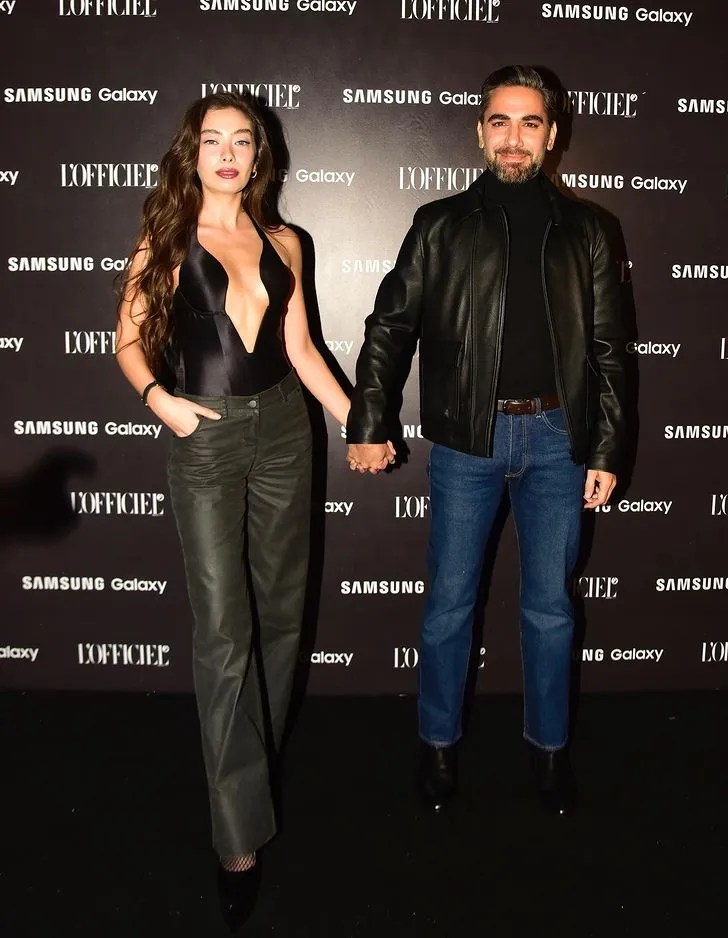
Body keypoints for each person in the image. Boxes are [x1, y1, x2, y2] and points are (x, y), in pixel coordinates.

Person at [115, 92, 372, 927]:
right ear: (192, 154)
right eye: (213, 141)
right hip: (206, 437)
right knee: (224, 629)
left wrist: (358, 422)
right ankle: (237, 837)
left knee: (283, 616)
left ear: (259, 155)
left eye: (242, 141)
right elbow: (127, 340)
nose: (228, 154)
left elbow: (301, 348)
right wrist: (161, 400)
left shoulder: (287, 241)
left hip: (286, 431)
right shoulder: (165, 238)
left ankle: (254, 762)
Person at [346, 66, 627, 816]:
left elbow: (609, 348)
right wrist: (369, 420)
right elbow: (390, 326)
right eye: (500, 121)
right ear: (479, 132)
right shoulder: (440, 223)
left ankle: (550, 747)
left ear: (552, 135)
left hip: (560, 441)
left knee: (551, 607)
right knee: (448, 604)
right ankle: (437, 742)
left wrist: (606, 448)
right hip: (469, 441)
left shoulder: (589, 230)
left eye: (530, 123)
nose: (514, 137)